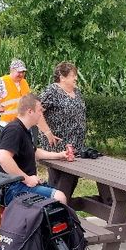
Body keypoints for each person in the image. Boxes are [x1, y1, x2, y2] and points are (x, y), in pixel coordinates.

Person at [0, 93, 73, 206]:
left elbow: (34, 152)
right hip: (10, 188)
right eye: (39, 110)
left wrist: (59, 155)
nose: (42, 113)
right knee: (59, 197)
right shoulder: (14, 130)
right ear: (30, 111)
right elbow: (3, 158)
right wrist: (27, 179)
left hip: (17, 185)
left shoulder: (24, 129)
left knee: (58, 195)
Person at [37, 61, 86, 196]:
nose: (75, 78)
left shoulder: (77, 91)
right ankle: (56, 208)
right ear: (62, 77)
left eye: (75, 75)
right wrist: (47, 132)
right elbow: (37, 111)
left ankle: (58, 207)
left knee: (72, 178)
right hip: (58, 145)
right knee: (61, 179)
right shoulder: (52, 91)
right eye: (72, 75)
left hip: (75, 144)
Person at [0, 59, 31, 127]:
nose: (21, 74)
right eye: (19, 72)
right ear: (11, 70)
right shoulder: (2, 82)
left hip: (23, 123)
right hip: (8, 124)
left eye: (23, 72)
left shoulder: (24, 82)